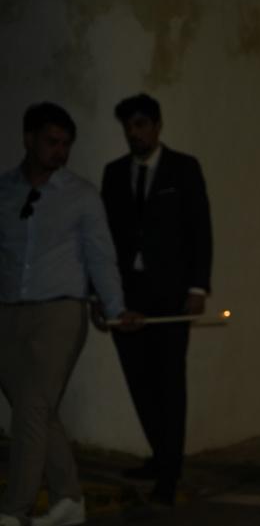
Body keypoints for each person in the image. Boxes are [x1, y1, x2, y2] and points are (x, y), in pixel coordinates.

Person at [0, 103, 140, 526]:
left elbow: (101, 256)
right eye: (51, 142)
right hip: (7, 311)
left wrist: (115, 308)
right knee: (38, 409)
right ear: (29, 138)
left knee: (29, 412)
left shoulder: (81, 195)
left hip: (60, 313)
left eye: (66, 145)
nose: (59, 152)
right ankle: (69, 500)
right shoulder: (4, 190)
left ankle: (14, 511)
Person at [100, 94, 213, 505]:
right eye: (129, 126)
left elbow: (200, 228)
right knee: (140, 382)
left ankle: (169, 473)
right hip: (128, 297)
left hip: (171, 298)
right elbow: (105, 239)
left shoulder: (183, 169)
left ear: (158, 126)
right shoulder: (113, 174)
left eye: (142, 124)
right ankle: (160, 455)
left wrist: (198, 289)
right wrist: (104, 296)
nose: (135, 133)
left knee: (169, 385)